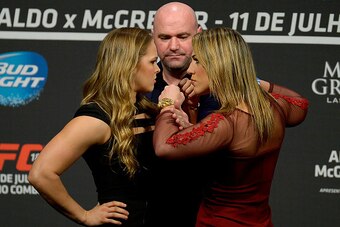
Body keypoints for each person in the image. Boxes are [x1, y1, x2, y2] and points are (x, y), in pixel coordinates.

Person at [153, 27, 309, 227]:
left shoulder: (226, 122)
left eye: (197, 60)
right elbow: (300, 103)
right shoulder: (275, 107)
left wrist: (168, 104)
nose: (190, 69)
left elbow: (164, 147)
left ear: (219, 65)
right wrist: (252, 82)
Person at [28, 27, 160, 226]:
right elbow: (41, 174)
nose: (158, 69)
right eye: (152, 62)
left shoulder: (147, 109)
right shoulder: (96, 119)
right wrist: (84, 215)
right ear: (129, 65)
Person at [145, 2, 217, 226]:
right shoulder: (139, 88)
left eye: (183, 36)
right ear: (153, 37)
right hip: (153, 216)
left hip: (210, 216)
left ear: (198, 35)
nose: (174, 46)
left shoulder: (223, 89)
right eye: (165, 37)